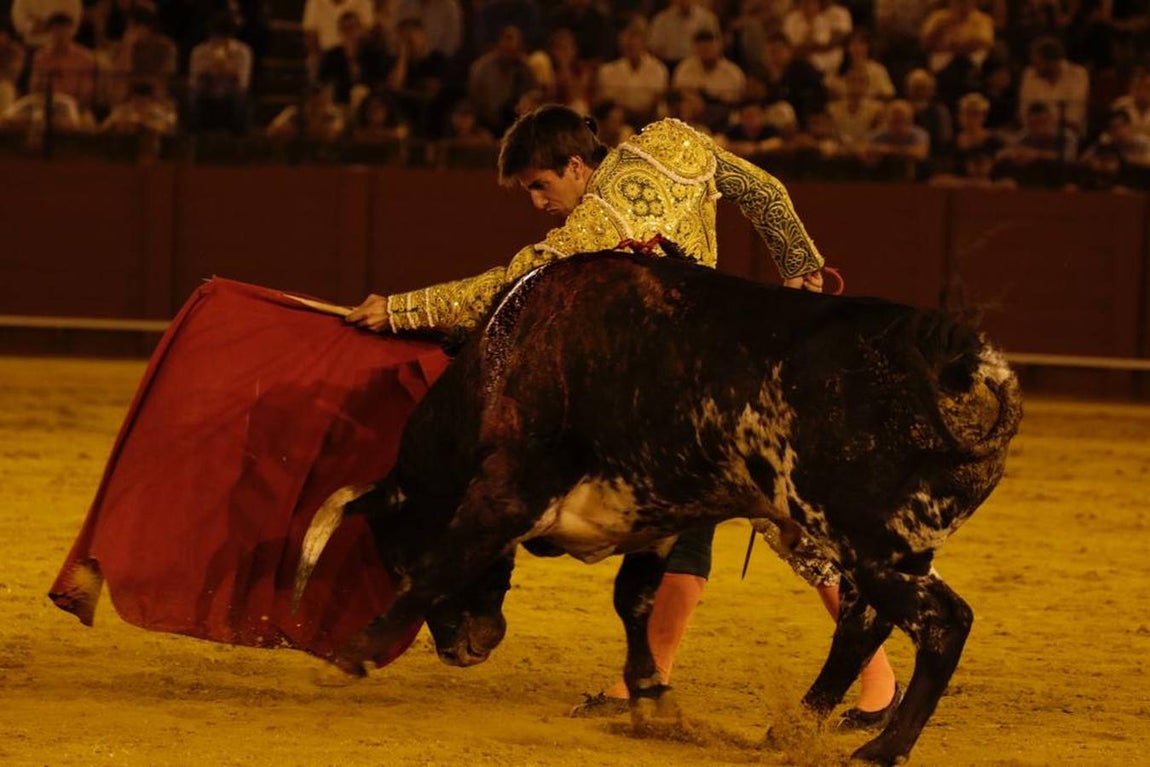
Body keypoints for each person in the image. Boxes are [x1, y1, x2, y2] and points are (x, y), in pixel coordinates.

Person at [346, 103, 898, 729]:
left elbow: (513, 286)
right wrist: (800, 266)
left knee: (787, 522)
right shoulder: (673, 142)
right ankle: (650, 677)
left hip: (689, 383)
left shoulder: (601, 218)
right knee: (688, 529)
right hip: (695, 373)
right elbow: (761, 189)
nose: (537, 202)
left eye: (540, 185)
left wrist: (401, 309)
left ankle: (878, 684)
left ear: (576, 165)